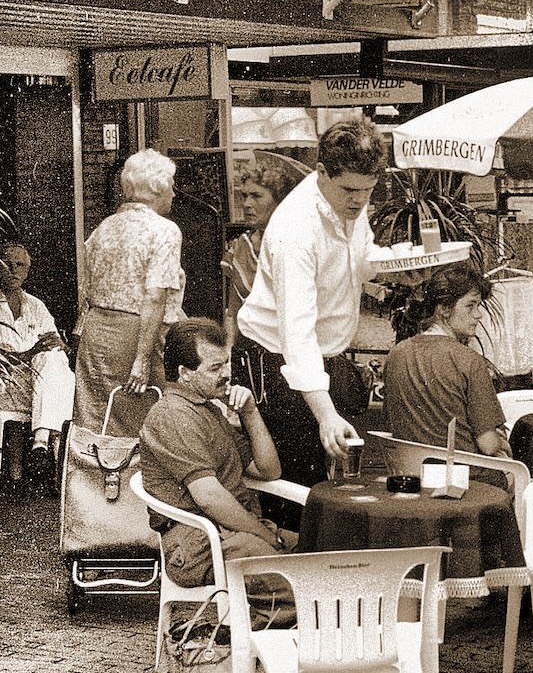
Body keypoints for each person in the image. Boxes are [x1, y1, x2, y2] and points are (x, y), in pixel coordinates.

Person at [235, 116, 388, 490]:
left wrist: (395, 273)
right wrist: (326, 415)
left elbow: (359, 258)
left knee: (325, 477)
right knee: (293, 481)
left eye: (367, 190)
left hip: (321, 357)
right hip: (273, 357)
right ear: (321, 172)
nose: (358, 200)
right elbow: (296, 334)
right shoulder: (295, 229)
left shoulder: (351, 201)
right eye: (349, 189)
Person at [138, 318, 294, 619]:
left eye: (227, 363)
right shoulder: (173, 416)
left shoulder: (208, 410)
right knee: (299, 583)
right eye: (215, 368)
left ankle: (271, 636)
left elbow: (268, 470)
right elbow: (209, 497)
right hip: (198, 543)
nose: (227, 374)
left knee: (321, 559)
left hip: (231, 533)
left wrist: (250, 413)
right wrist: (263, 533)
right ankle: (257, 647)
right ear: (184, 373)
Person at [78, 148, 185, 436]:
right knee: (145, 423)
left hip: (96, 335)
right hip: (137, 336)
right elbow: (155, 296)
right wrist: (142, 358)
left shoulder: (104, 227)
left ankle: (90, 481)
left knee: (96, 422)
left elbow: (87, 290)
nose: (174, 193)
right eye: (171, 186)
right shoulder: (164, 230)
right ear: (157, 187)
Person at [0, 239, 74, 484]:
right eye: (8, 264)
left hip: (33, 384)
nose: (14, 270)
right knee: (57, 377)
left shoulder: (35, 305)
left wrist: (59, 346)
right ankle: (44, 444)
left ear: (27, 271)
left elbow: (52, 340)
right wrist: (26, 355)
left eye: (20, 265)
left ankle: (40, 443)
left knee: (54, 358)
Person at [382, 264, 511, 458]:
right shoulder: (469, 361)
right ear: (443, 308)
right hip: (463, 477)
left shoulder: (396, 354)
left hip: (408, 472)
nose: (478, 314)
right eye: (470, 305)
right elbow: (488, 445)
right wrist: (502, 441)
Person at [222, 157, 297, 349]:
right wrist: (228, 355)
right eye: (244, 195)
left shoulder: (296, 244)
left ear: (280, 200)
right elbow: (233, 312)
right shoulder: (241, 246)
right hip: (250, 349)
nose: (247, 203)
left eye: (256, 196)